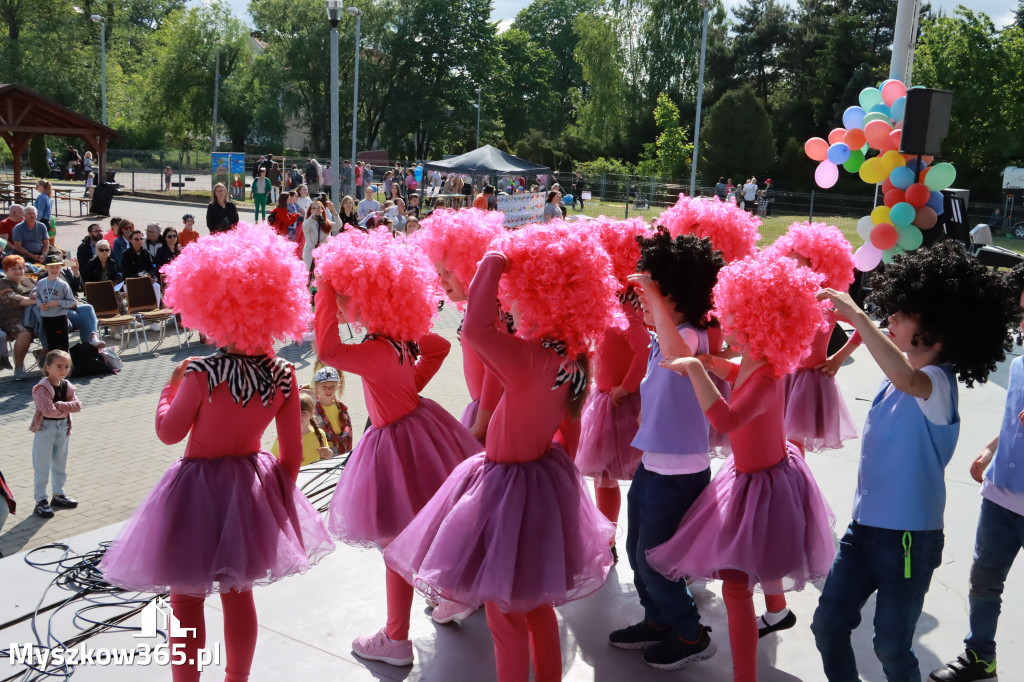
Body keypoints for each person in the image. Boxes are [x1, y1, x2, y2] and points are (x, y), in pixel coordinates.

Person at [99, 222, 335, 682]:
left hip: (194, 492)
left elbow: (169, 433)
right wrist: (277, 503)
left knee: (186, 600)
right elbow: (290, 455)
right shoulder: (285, 375)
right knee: (238, 593)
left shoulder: (201, 371)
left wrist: (167, 389)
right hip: (249, 490)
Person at [384, 224, 620, 681]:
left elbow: (473, 328)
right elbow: (487, 337)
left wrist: (494, 258)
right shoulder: (569, 357)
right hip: (539, 483)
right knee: (534, 607)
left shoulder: (532, 358)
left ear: (539, 296)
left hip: (506, 489)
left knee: (504, 617)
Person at [812, 241, 1019, 682]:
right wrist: (837, 350)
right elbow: (881, 345)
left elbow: (904, 374)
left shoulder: (935, 385)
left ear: (938, 333)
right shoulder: (901, 370)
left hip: (907, 538)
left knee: (890, 645)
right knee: (827, 625)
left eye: (903, 315)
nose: (891, 318)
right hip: (863, 529)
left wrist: (858, 316)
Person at [647, 254, 836, 682]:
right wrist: (714, 364)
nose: (720, 315)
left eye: (730, 310)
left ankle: (744, 675)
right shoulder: (757, 357)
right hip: (750, 477)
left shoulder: (769, 374)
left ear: (756, 316)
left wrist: (696, 367)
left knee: (736, 588)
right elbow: (738, 372)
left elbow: (728, 420)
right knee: (739, 583)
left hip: (763, 488)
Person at [313, 228, 482, 666]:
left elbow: (327, 349)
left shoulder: (374, 350)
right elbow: (440, 346)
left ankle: (396, 639)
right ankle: (456, 594)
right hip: (422, 428)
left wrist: (324, 293)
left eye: (349, 296)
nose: (346, 304)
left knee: (395, 544)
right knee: (428, 527)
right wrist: (410, 392)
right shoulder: (401, 340)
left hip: (395, 443)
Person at [605, 232, 721, 671]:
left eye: (655, 296)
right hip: (654, 466)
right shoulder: (662, 338)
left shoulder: (689, 337)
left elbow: (678, 358)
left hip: (679, 473)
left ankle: (690, 634)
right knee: (638, 551)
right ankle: (657, 621)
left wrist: (651, 288)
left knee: (658, 562)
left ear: (675, 298)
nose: (646, 304)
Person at [929, 265, 1024, 682]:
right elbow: (1012, 421)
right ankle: (980, 657)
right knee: (984, 581)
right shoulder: (1020, 366)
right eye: (1022, 312)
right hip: (1001, 494)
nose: (1022, 322)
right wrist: (988, 450)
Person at [576, 218, 651, 560]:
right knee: (602, 476)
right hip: (605, 397)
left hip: (620, 403)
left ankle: (611, 542)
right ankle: (605, 539)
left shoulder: (625, 306)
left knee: (609, 476)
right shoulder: (613, 302)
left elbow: (643, 348)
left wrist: (626, 386)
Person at [764, 221, 859, 456]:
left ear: (819, 264)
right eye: (789, 256)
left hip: (808, 383)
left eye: (800, 258)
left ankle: (796, 485)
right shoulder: (784, 300)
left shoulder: (829, 303)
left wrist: (838, 358)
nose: (792, 262)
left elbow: (862, 326)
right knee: (776, 440)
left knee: (794, 445)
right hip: (782, 376)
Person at [416, 207, 507, 446]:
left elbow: (495, 369)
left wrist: (482, 421)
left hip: (494, 411)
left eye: (448, 272)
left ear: (472, 268)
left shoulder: (490, 308)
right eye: (438, 272)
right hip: (490, 407)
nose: (441, 280)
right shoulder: (482, 304)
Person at [30, 349, 81, 518]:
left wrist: (59, 406)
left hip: (63, 428)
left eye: (66, 366)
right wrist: (65, 408)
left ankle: (58, 494)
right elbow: (47, 411)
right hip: (45, 429)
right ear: (48, 368)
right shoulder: (41, 388)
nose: (64, 370)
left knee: (60, 463)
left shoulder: (67, 386)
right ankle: (41, 500)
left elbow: (78, 406)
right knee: (42, 465)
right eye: (59, 366)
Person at [0, 255, 38, 380]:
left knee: (53, 324)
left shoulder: (29, 280)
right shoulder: (2, 284)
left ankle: (44, 353)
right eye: (13, 269)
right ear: (6, 270)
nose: (18, 271)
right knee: (25, 333)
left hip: (36, 316)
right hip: (12, 320)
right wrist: (37, 300)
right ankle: (19, 366)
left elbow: (44, 291)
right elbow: (16, 300)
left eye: (20, 268)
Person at [271, 393, 333, 467]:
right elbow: (272, 461)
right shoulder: (283, 438)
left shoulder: (319, 433)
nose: (299, 416)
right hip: (295, 477)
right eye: (295, 412)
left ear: (311, 414)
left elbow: (326, 455)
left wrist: (329, 454)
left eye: (303, 412)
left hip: (316, 475)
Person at [36, 253, 76, 352]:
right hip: (46, 318)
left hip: (59, 318)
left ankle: (64, 365)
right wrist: (40, 304)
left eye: (57, 267)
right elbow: (38, 297)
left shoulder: (63, 284)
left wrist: (58, 302)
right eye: (51, 267)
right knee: (51, 344)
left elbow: (71, 302)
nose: (54, 270)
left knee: (61, 345)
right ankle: (53, 365)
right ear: (45, 267)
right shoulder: (41, 283)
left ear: (61, 268)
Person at [309, 366, 352, 458]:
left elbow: (348, 437)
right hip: (322, 458)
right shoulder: (312, 412)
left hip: (342, 454)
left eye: (332, 386)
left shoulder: (342, 409)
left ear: (337, 386)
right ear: (316, 388)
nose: (328, 390)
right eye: (324, 386)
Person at [301, 200, 338, 271]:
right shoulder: (307, 222)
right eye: (313, 208)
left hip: (322, 255)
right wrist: (314, 214)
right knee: (308, 277)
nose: (316, 210)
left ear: (322, 210)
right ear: (310, 210)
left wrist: (333, 210)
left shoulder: (326, 223)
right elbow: (305, 227)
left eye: (318, 208)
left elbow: (338, 225)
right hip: (310, 256)